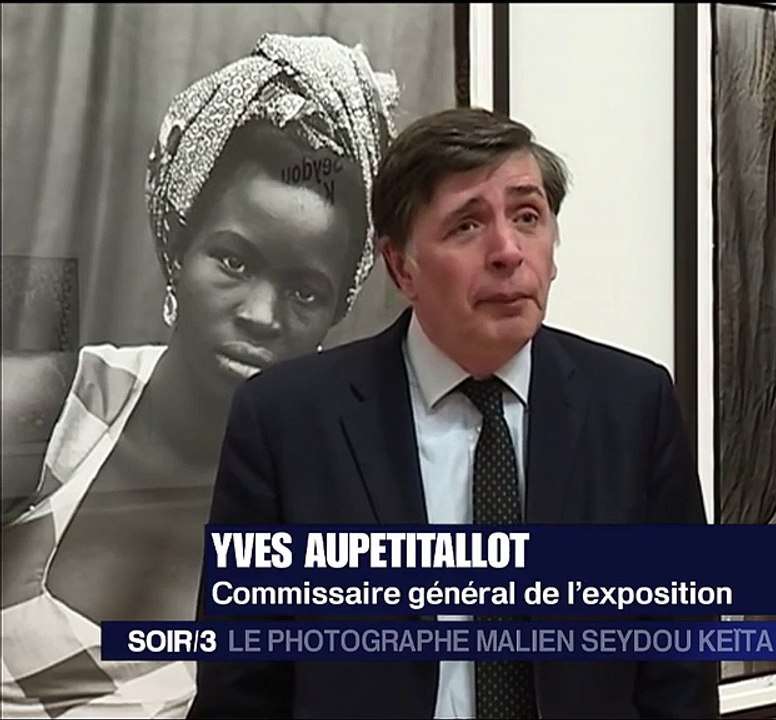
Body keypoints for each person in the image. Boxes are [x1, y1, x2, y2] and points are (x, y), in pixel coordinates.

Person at [186, 107, 719, 720]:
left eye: (527, 216)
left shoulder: (633, 406)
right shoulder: (288, 421)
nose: (508, 251)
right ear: (400, 267)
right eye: (467, 225)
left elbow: (680, 664)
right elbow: (241, 684)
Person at [0, 33, 398, 718]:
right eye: (234, 262)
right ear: (179, 251)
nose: (261, 315)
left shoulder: (329, 510)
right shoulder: (52, 408)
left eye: (305, 292)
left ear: (337, 311)